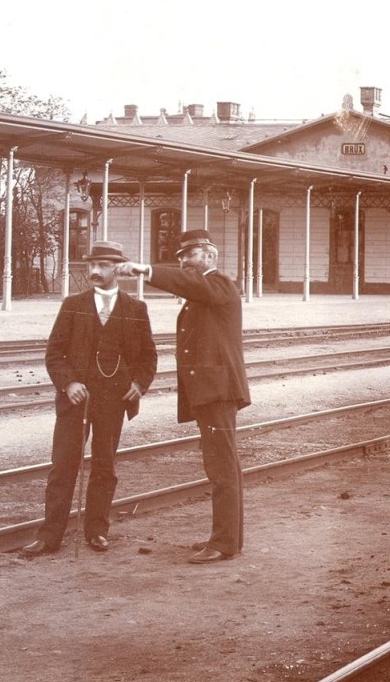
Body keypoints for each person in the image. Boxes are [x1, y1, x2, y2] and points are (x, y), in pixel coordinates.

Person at [122, 229, 251, 564]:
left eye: (189, 255)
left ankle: (223, 543)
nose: (183, 262)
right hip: (211, 391)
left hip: (218, 391)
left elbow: (192, 286)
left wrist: (146, 270)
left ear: (209, 255)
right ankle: (227, 539)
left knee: (222, 468)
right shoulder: (204, 290)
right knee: (223, 466)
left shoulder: (220, 284)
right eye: (180, 257)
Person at [22, 241, 158, 558]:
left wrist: (139, 384)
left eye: (103, 265)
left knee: (104, 466)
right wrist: (68, 383)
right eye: (92, 265)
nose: (95, 271)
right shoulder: (72, 305)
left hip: (114, 399)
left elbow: (148, 357)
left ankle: (97, 531)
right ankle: (50, 536)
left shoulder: (136, 309)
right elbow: (54, 354)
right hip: (76, 400)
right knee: (63, 466)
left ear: (118, 270)